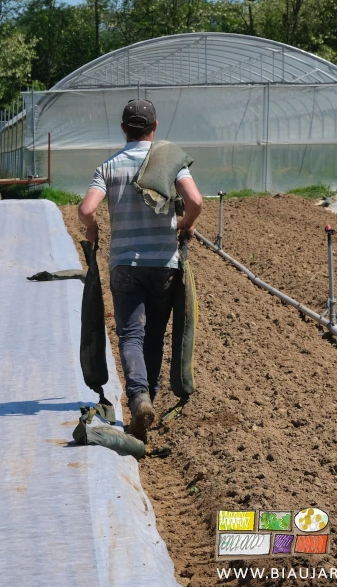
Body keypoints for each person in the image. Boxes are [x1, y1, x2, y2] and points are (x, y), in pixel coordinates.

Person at [77, 98, 202, 440]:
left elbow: (87, 209)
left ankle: (139, 398)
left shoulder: (108, 167)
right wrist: (184, 224)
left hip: (124, 265)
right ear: (155, 127)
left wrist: (93, 230)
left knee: (130, 334)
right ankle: (150, 399)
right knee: (154, 336)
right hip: (163, 265)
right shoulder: (170, 162)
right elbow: (195, 201)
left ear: (123, 129)